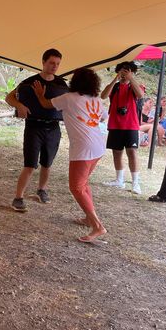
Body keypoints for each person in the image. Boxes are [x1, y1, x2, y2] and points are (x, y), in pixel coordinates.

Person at [33, 68, 107, 242]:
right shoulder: (96, 99)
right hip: (98, 145)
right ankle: (89, 218)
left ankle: (97, 226)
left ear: (75, 82)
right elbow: (103, 117)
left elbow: (45, 104)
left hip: (83, 148)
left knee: (76, 187)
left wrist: (39, 93)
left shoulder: (68, 98)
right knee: (83, 184)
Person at [5, 48, 68, 212]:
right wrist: (19, 105)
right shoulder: (29, 82)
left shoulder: (61, 84)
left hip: (54, 127)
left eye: (58, 64)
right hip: (34, 126)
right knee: (30, 164)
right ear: (43, 62)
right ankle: (18, 198)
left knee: (47, 163)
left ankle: (42, 190)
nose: (54, 66)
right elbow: (9, 97)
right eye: (51, 63)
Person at [100, 61, 144, 194]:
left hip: (131, 125)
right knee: (116, 153)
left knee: (132, 152)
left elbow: (140, 95)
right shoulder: (115, 86)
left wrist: (131, 79)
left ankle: (135, 183)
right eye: (122, 70)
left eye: (128, 70)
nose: (125, 73)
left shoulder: (136, 86)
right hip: (115, 124)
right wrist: (115, 79)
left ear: (132, 72)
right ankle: (119, 180)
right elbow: (103, 96)